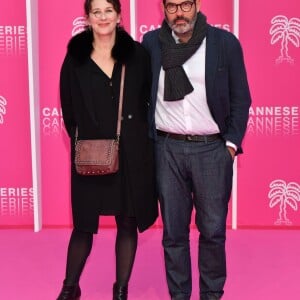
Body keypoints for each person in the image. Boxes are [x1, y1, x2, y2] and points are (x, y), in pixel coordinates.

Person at [142, 0, 251, 299]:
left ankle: (211, 294)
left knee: (213, 232)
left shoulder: (224, 43)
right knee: (173, 234)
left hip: (212, 151)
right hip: (167, 150)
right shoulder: (151, 43)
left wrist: (228, 145)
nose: (180, 12)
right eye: (172, 5)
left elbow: (241, 98)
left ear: (197, 4)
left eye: (186, 4)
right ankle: (179, 296)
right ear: (163, 10)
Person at [57, 0, 158, 299]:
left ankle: (121, 289)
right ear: (87, 17)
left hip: (132, 155)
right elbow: (68, 109)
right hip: (91, 154)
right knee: (84, 225)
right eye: (96, 11)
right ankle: (69, 287)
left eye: (108, 11)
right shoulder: (75, 58)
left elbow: (148, 100)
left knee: (127, 221)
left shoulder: (138, 55)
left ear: (119, 15)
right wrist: (83, 141)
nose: (103, 17)